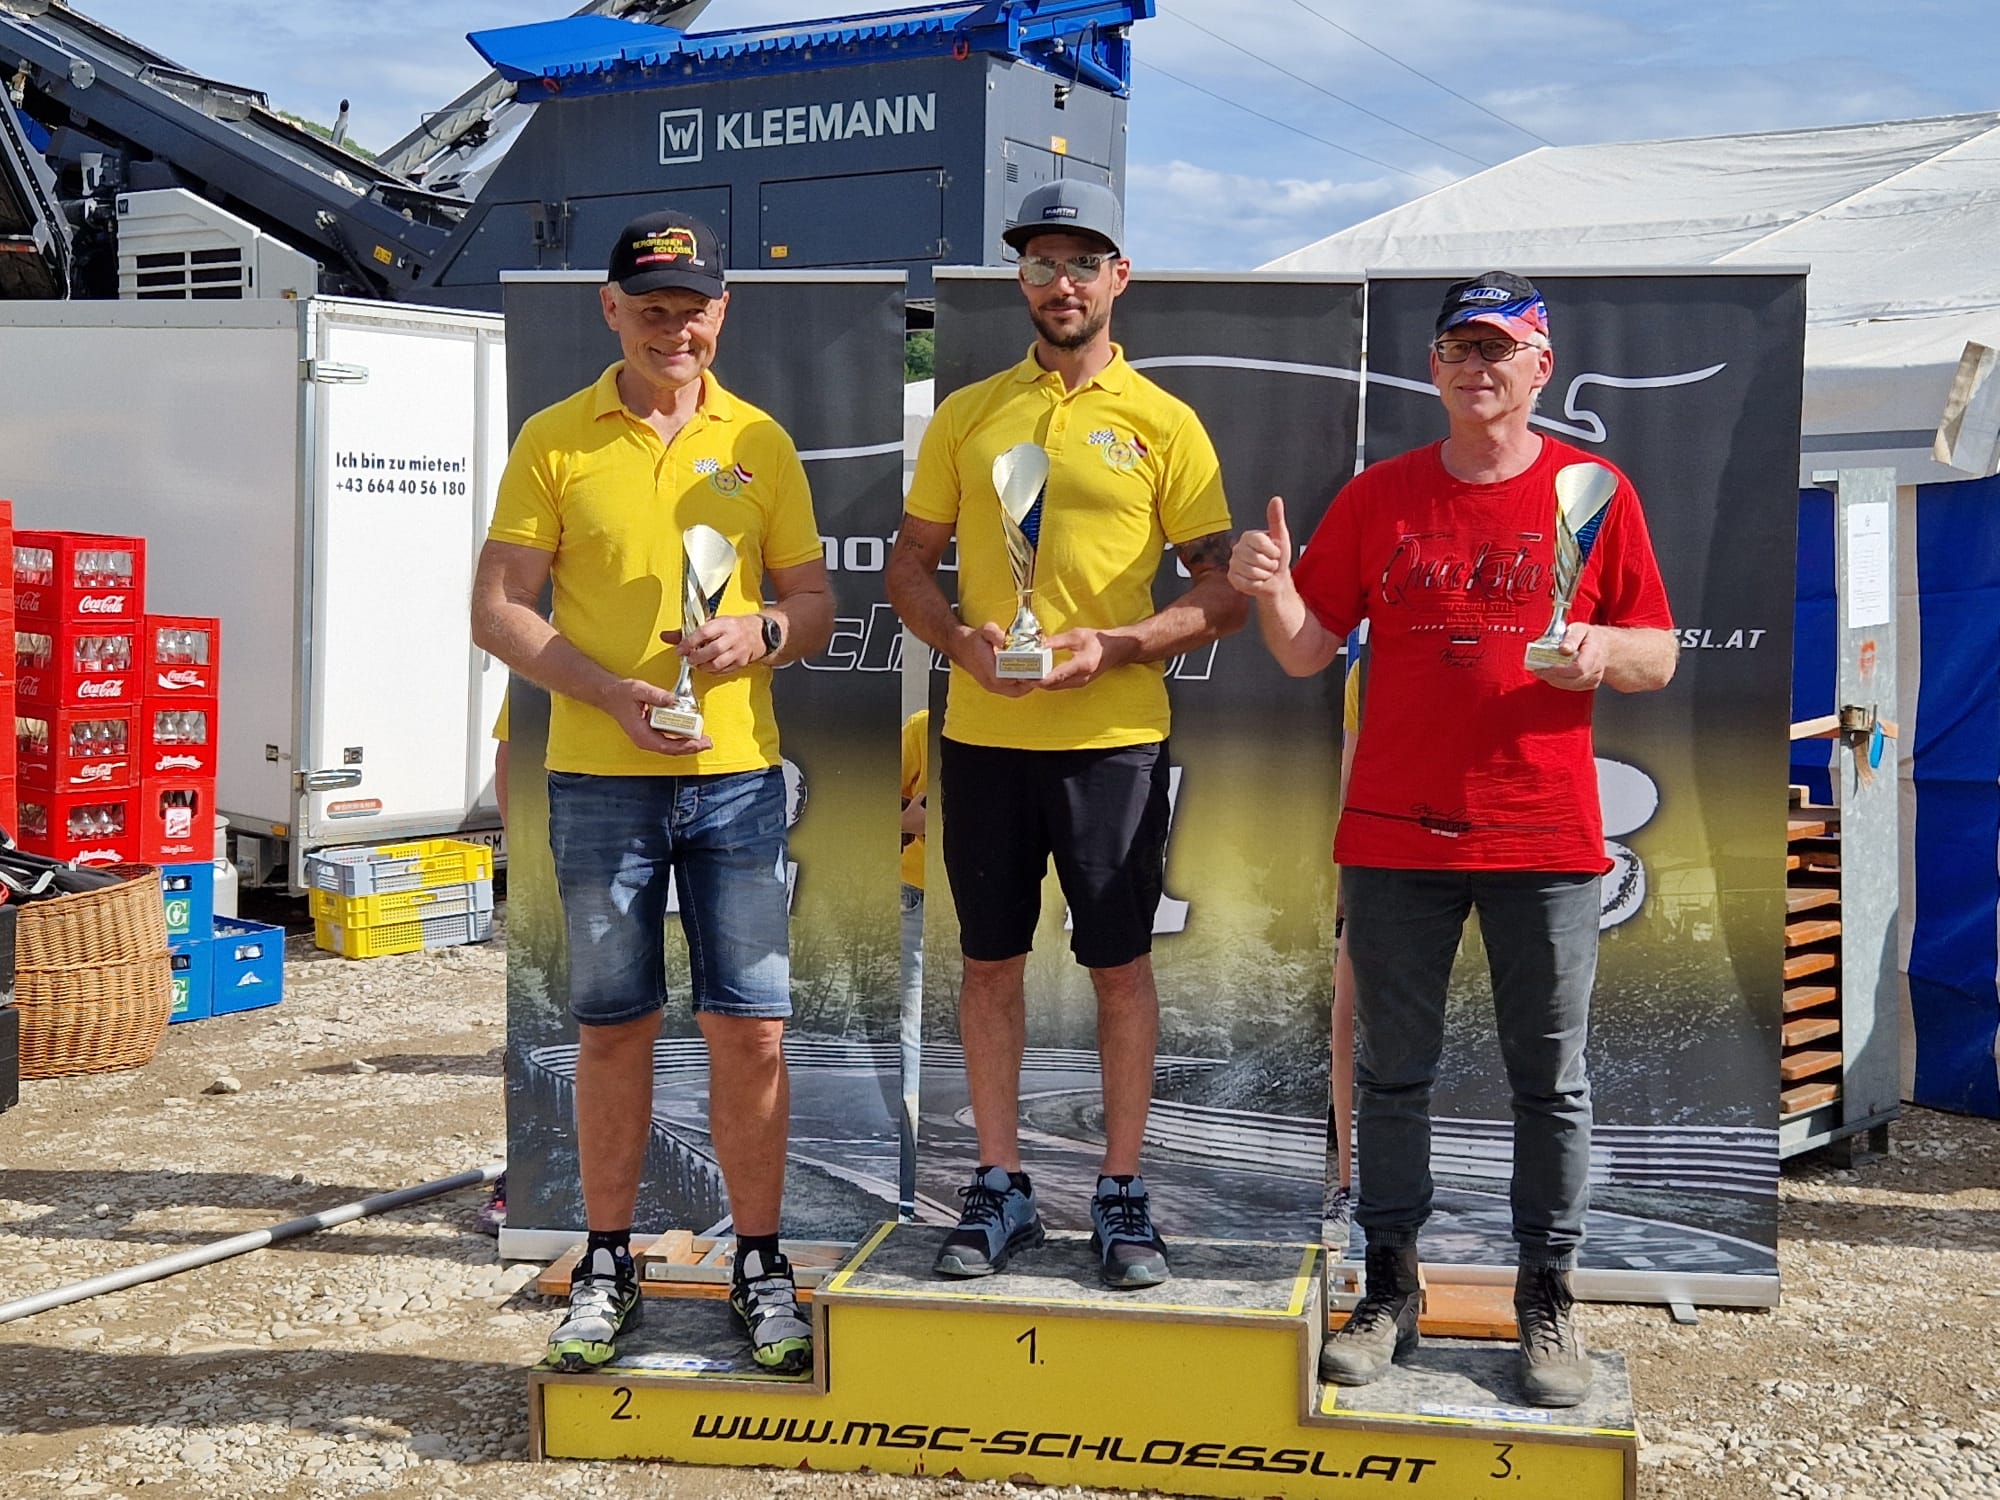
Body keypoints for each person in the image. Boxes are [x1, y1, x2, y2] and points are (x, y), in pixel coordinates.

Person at [1229, 272, 1677, 1406]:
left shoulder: (1594, 491)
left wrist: (1602, 653)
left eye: (1499, 349)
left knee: (1550, 1083)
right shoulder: (1380, 496)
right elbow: (1304, 648)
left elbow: (1658, 651)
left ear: (1540, 366)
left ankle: (1547, 1298)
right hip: (1395, 835)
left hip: (1543, 834)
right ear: (1432, 368)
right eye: (1458, 349)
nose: (1478, 368)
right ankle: (1389, 1288)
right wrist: (1272, 590)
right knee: (1391, 1076)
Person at [471, 211, 835, 1374]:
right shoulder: (554, 439)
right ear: (611, 309)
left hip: (735, 779)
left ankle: (759, 1263)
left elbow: (814, 607)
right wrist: (606, 689)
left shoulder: (760, 441)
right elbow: (498, 609)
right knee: (612, 1030)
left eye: (692, 308)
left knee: (753, 1032)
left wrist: (760, 632)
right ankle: (607, 1261)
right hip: (598, 779)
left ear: (722, 312)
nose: (673, 329)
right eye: (651, 308)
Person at [886, 179, 1246, 1289]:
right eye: (1041, 263)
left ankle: (1121, 1191)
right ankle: (998, 1185)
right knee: (988, 963)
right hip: (986, 737)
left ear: (1117, 277)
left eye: (1082, 262)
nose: (1061, 283)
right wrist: (959, 642)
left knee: (1119, 969)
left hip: (1114, 740)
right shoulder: (969, 414)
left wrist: (1120, 645)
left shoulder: (1163, 422)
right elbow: (909, 566)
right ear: (1022, 279)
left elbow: (1221, 593)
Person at [897, 706, 929, 1220]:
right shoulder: (924, 726)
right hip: (919, 893)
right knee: (911, 1035)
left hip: (1000, 895)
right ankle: (908, 1179)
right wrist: (911, 820)